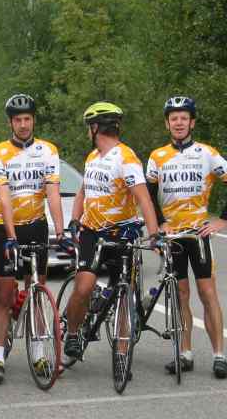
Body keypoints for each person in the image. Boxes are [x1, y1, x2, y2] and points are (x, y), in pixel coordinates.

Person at [63, 102, 160, 361]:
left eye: (88, 128)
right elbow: (82, 191)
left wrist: (153, 235)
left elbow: (144, 200)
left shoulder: (126, 158)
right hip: (92, 232)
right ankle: (72, 333)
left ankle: (122, 351)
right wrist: (74, 219)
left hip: (121, 233)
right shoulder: (92, 157)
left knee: (124, 290)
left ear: (95, 128)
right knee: (83, 287)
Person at [0, 93, 67, 383]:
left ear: (34, 120)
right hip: (5, 226)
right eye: (18, 120)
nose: (23, 124)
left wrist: (61, 232)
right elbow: (4, 197)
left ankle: (39, 354)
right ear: (10, 122)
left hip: (36, 224)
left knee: (37, 290)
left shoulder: (48, 151)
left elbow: (53, 194)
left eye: (27, 119)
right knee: (5, 294)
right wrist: (10, 237)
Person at [146, 96, 227, 379]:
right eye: (173, 118)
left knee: (207, 294)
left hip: (198, 234)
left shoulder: (208, 153)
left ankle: (219, 355)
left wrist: (222, 220)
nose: (178, 122)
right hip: (173, 237)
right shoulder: (157, 156)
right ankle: (186, 353)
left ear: (192, 122)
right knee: (180, 294)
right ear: (167, 123)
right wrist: (158, 225)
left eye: (184, 117)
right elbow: (148, 195)